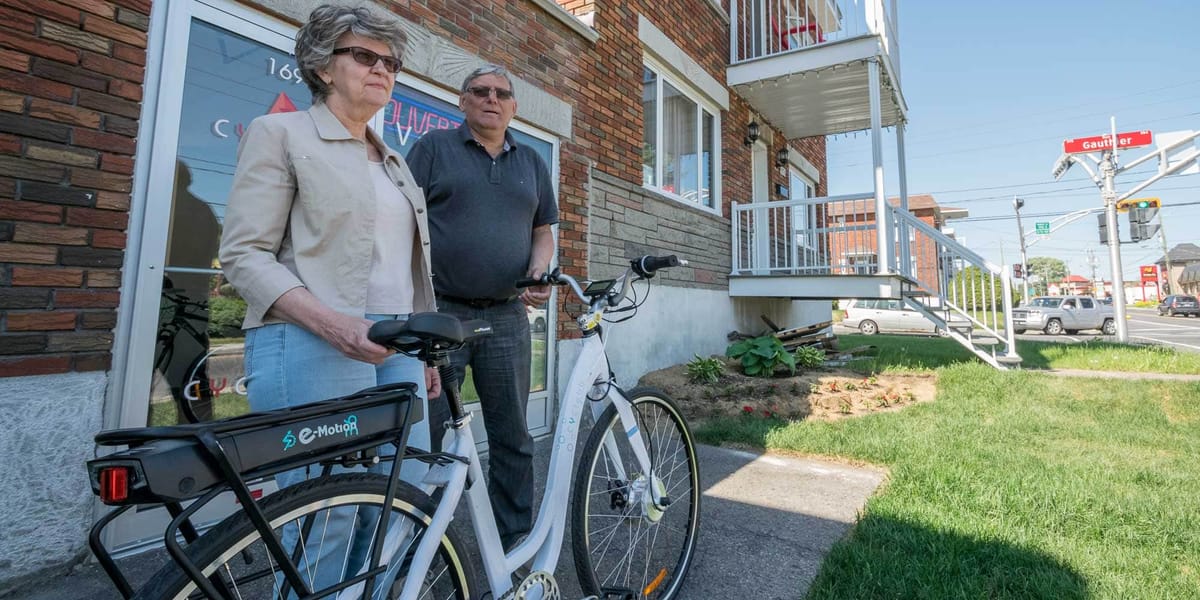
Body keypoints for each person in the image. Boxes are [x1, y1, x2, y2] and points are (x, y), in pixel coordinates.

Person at [218, 4, 438, 592]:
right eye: (364, 56)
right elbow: (243, 256)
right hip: (313, 339)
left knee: (401, 501)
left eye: (390, 62)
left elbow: (404, 267)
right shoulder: (281, 133)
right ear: (321, 64)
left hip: (400, 344)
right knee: (327, 514)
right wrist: (336, 326)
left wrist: (425, 352)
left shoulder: (394, 162)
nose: (382, 70)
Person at [406, 64, 558, 552]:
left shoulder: (532, 162)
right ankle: (416, 544)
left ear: (513, 106)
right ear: (463, 101)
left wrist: (539, 272)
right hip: (442, 314)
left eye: (501, 94)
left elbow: (543, 231)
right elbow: (400, 222)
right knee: (426, 434)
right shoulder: (432, 150)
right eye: (480, 92)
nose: (491, 99)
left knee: (513, 435)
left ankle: (512, 541)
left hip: (507, 317)